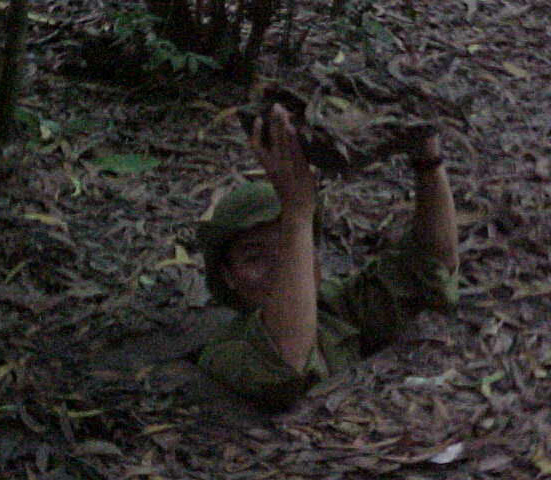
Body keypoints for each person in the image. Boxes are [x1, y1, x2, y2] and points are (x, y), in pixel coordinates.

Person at [196, 104, 459, 409]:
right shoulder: (224, 352)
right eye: (254, 256)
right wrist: (296, 212)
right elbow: (286, 360)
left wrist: (427, 160)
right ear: (228, 277)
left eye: (290, 247)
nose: (281, 267)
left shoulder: (335, 308)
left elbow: (430, 268)